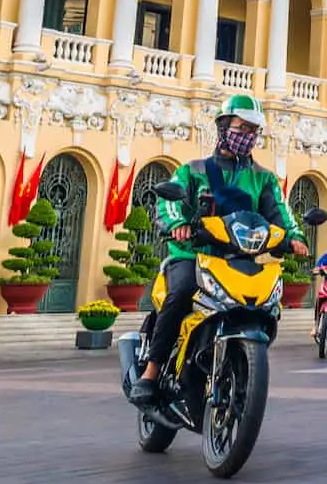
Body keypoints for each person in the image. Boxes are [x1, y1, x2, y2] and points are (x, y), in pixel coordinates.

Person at [131, 95, 306, 405]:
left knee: (263, 303)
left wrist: (293, 236)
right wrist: (178, 224)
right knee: (181, 292)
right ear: (224, 127)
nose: (248, 136)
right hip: (192, 255)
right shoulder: (193, 170)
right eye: (243, 128)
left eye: (254, 131)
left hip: (237, 260)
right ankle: (152, 372)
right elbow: (170, 201)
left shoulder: (263, 178)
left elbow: (279, 211)